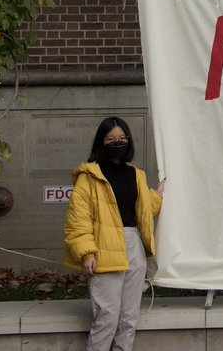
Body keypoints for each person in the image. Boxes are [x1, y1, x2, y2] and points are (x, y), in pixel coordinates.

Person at [64, 117, 164, 351]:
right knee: (106, 318)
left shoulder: (136, 174)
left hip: (133, 246)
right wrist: (87, 253)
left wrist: (158, 196)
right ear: (101, 143)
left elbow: (143, 210)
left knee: (128, 319)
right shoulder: (88, 176)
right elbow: (78, 220)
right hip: (103, 249)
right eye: (111, 139)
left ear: (129, 141)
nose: (117, 142)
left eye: (122, 138)